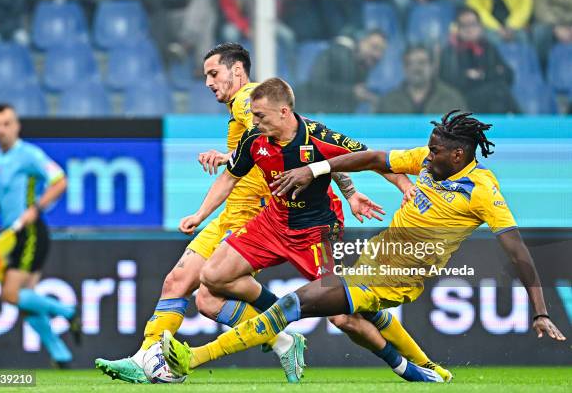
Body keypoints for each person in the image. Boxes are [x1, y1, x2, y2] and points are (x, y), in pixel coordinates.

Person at [161, 109, 566, 378]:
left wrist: (541, 312)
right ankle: (421, 370)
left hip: (396, 276)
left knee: (295, 303)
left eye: (437, 151)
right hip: (375, 259)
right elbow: (372, 158)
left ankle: (193, 358)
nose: (427, 156)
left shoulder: (482, 190)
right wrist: (316, 168)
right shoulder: (428, 162)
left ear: (459, 154)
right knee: (346, 319)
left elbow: (517, 250)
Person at [95, 43, 395, 383]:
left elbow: (311, 145)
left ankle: (291, 329)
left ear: (237, 71)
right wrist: (228, 158)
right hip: (230, 214)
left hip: (254, 217)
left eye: (213, 73)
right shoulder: (248, 116)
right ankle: (151, 356)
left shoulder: (246, 99)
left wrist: (351, 191)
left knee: (207, 292)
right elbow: (260, 147)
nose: (208, 82)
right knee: (188, 288)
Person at [171, 77, 452, 382]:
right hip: (273, 223)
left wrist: (403, 185)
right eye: (252, 115)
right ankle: (283, 323)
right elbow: (229, 177)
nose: (253, 121)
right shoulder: (253, 139)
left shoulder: (317, 137)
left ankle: (414, 366)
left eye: (260, 116)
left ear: (284, 111)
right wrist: (200, 214)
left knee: (345, 316)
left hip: (318, 232)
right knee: (212, 276)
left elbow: (371, 159)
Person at [0, 103, 79, 367]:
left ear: (16, 126)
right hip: (12, 236)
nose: (0, 130)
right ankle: (60, 355)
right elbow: (0, 196)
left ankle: (67, 311)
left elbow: (60, 180)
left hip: (29, 233)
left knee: (9, 294)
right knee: (26, 299)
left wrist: (36, 209)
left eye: (6, 124)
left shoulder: (29, 155)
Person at [439, 7, 519, 114]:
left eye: (472, 24)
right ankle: (524, 122)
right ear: (457, 29)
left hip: (491, 98)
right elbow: (449, 80)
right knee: (499, 91)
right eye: (464, 25)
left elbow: (508, 75)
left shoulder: (488, 47)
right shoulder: (450, 51)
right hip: (463, 100)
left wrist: (481, 76)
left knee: (499, 91)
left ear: (480, 26)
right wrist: (489, 75)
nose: (469, 29)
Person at [297, 31, 387, 113]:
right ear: (361, 42)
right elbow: (315, 86)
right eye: (374, 47)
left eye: (382, 51)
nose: (377, 54)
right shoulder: (336, 54)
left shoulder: (362, 69)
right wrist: (351, 92)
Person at [377, 46, 467, 114]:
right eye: (411, 63)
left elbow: (464, 133)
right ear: (404, 68)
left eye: (422, 62)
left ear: (432, 67)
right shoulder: (389, 101)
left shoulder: (452, 98)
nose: (417, 68)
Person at [465, 0, 532, 43]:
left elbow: (525, 6)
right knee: (491, 38)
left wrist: (512, 25)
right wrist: (497, 28)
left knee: (522, 36)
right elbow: (476, 10)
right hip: (487, 26)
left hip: (515, 25)